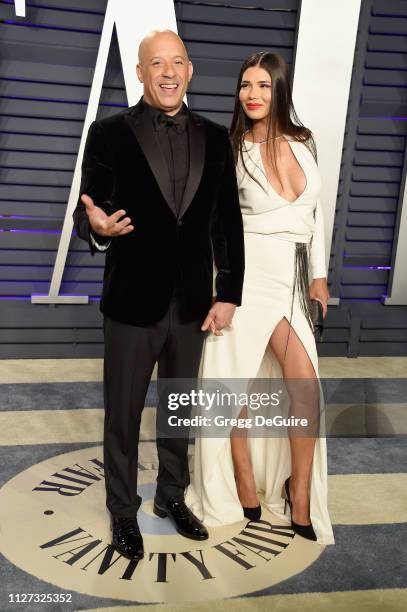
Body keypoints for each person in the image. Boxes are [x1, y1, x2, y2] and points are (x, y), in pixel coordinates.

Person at [72, 30, 245, 560]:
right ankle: (123, 511)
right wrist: (97, 226)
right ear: (141, 73)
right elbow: (91, 209)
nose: (167, 73)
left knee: (179, 408)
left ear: (189, 70)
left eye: (176, 63)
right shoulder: (108, 133)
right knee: (122, 414)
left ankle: (172, 496)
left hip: (192, 303)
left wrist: (228, 291)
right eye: (156, 64)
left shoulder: (218, 138)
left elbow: (226, 222)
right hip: (130, 302)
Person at [186, 51, 335, 545]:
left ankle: (301, 497)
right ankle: (244, 485)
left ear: (280, 90)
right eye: (246, 85)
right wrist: (219, 286)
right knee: (238, 390)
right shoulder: (231, 148)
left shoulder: (305, 141)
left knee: (304, 388)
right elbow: (216, 224)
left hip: (291, 280)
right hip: (246, 277)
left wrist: (318, 275)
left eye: (263, 86)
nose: (252, 94)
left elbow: (315, 216)